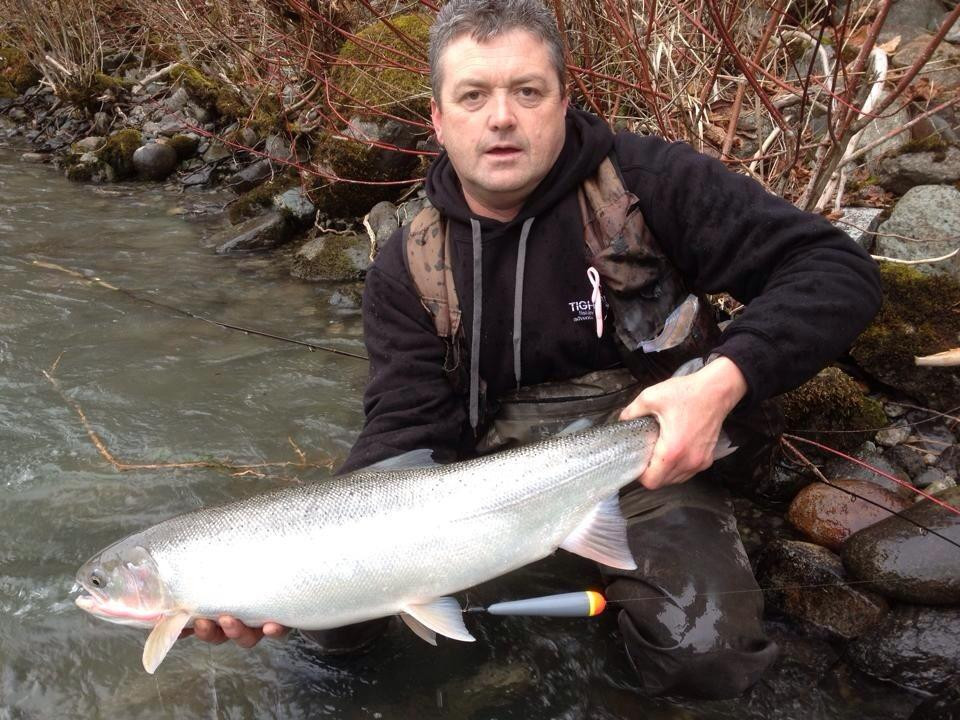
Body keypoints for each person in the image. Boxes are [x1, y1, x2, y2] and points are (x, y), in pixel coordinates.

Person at [188, 0, 882, 699]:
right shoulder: (409, 264)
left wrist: (723, 381)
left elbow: (835, 270)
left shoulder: (648, 183)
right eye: (473, 95)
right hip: (484, 487)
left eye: (526, 91)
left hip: (652, 458)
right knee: (327, 632)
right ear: (436, 119)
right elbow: (404, 428)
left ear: (562, 101)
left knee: (708, 658)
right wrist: (280, 577)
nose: (500, 118)